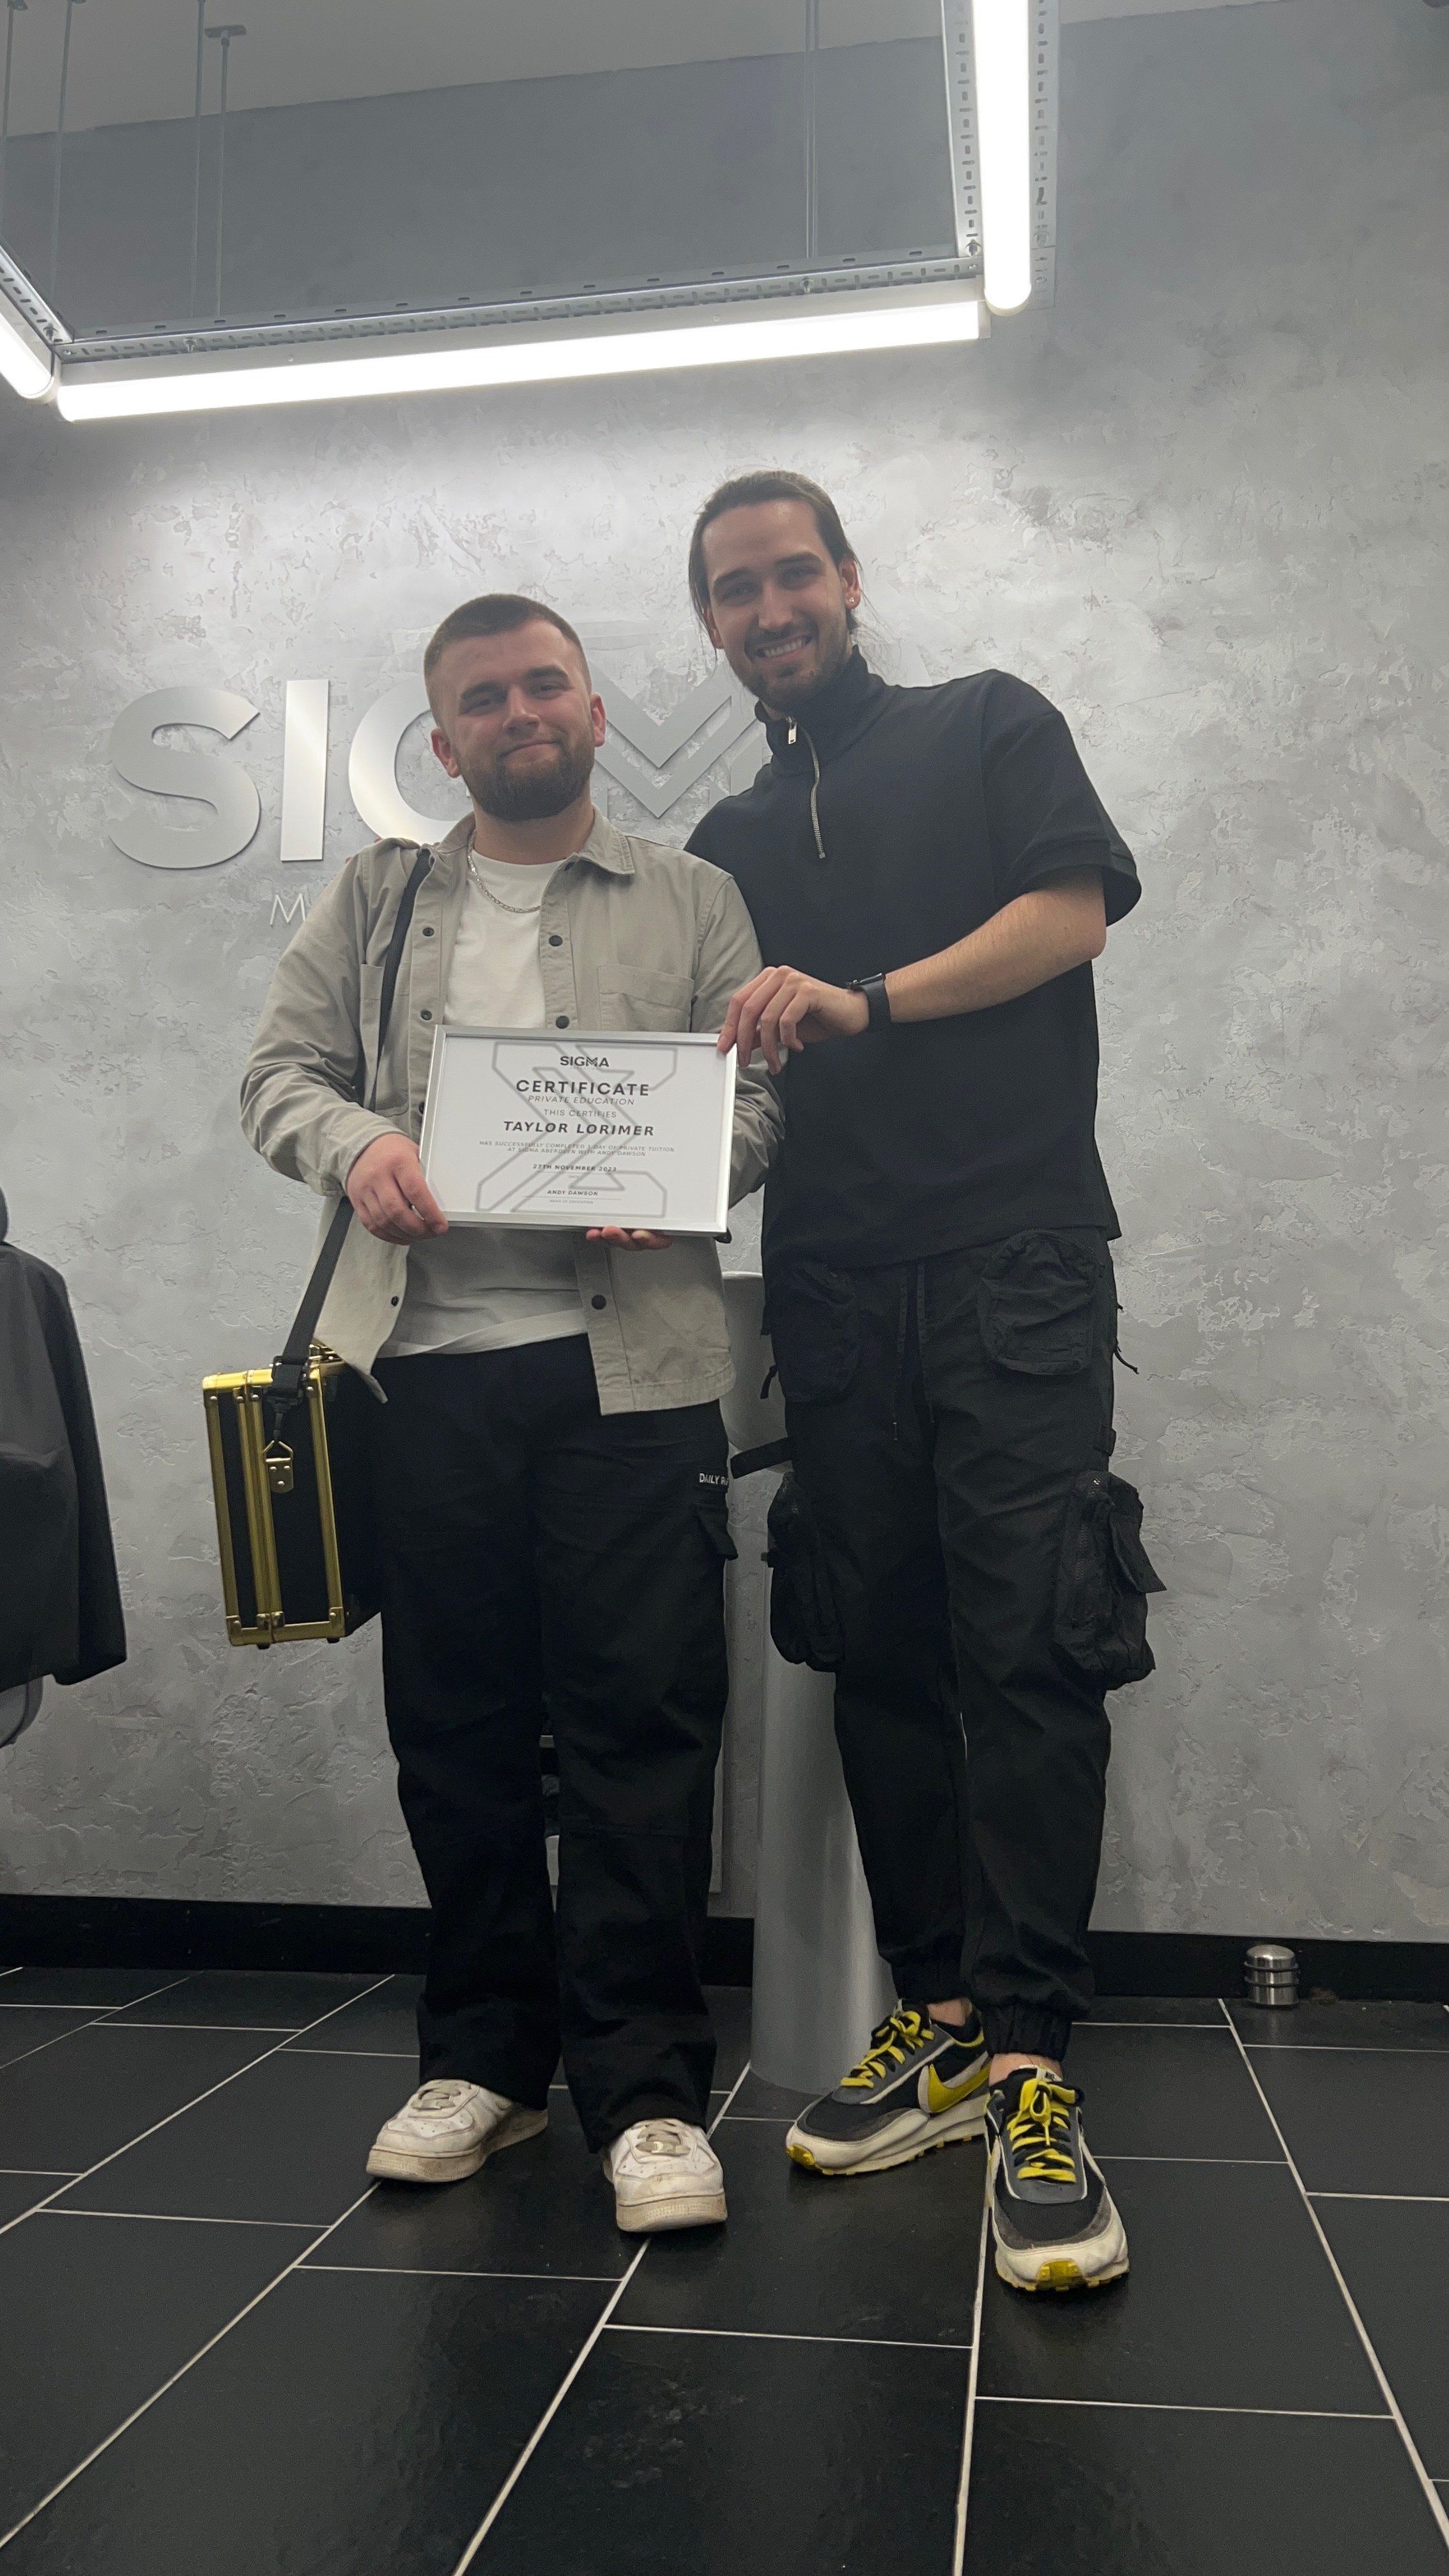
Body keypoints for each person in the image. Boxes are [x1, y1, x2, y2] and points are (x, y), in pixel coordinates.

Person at [242, 592, 780, 2234]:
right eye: (483, 696)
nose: (518, 711)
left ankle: (649, 2097)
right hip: (429, 1375)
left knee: (643, 1729)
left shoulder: (696, 896)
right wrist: (361, 1151)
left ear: (596, 713)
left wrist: (691, 1173)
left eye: (545, 684)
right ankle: (481, 2061)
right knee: (458, 1733)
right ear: (443, 735)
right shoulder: (375, 895)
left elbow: (759, 1096)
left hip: (637, 1377)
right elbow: (278, 1077)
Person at [687, 472, 1156, 2294]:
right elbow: (697, 1076)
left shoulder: (985, 727)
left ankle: (1036, 2068)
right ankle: (945, 2016)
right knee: (872, 1644)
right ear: (710, 625)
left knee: (1027, 1643)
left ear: (848, 583)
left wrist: (867, 997)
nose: (769, 605)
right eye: (733, 589)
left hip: (1012, 1259)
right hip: (823, 1276)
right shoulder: (721, 834)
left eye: (791, 571)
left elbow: (1071, 919)